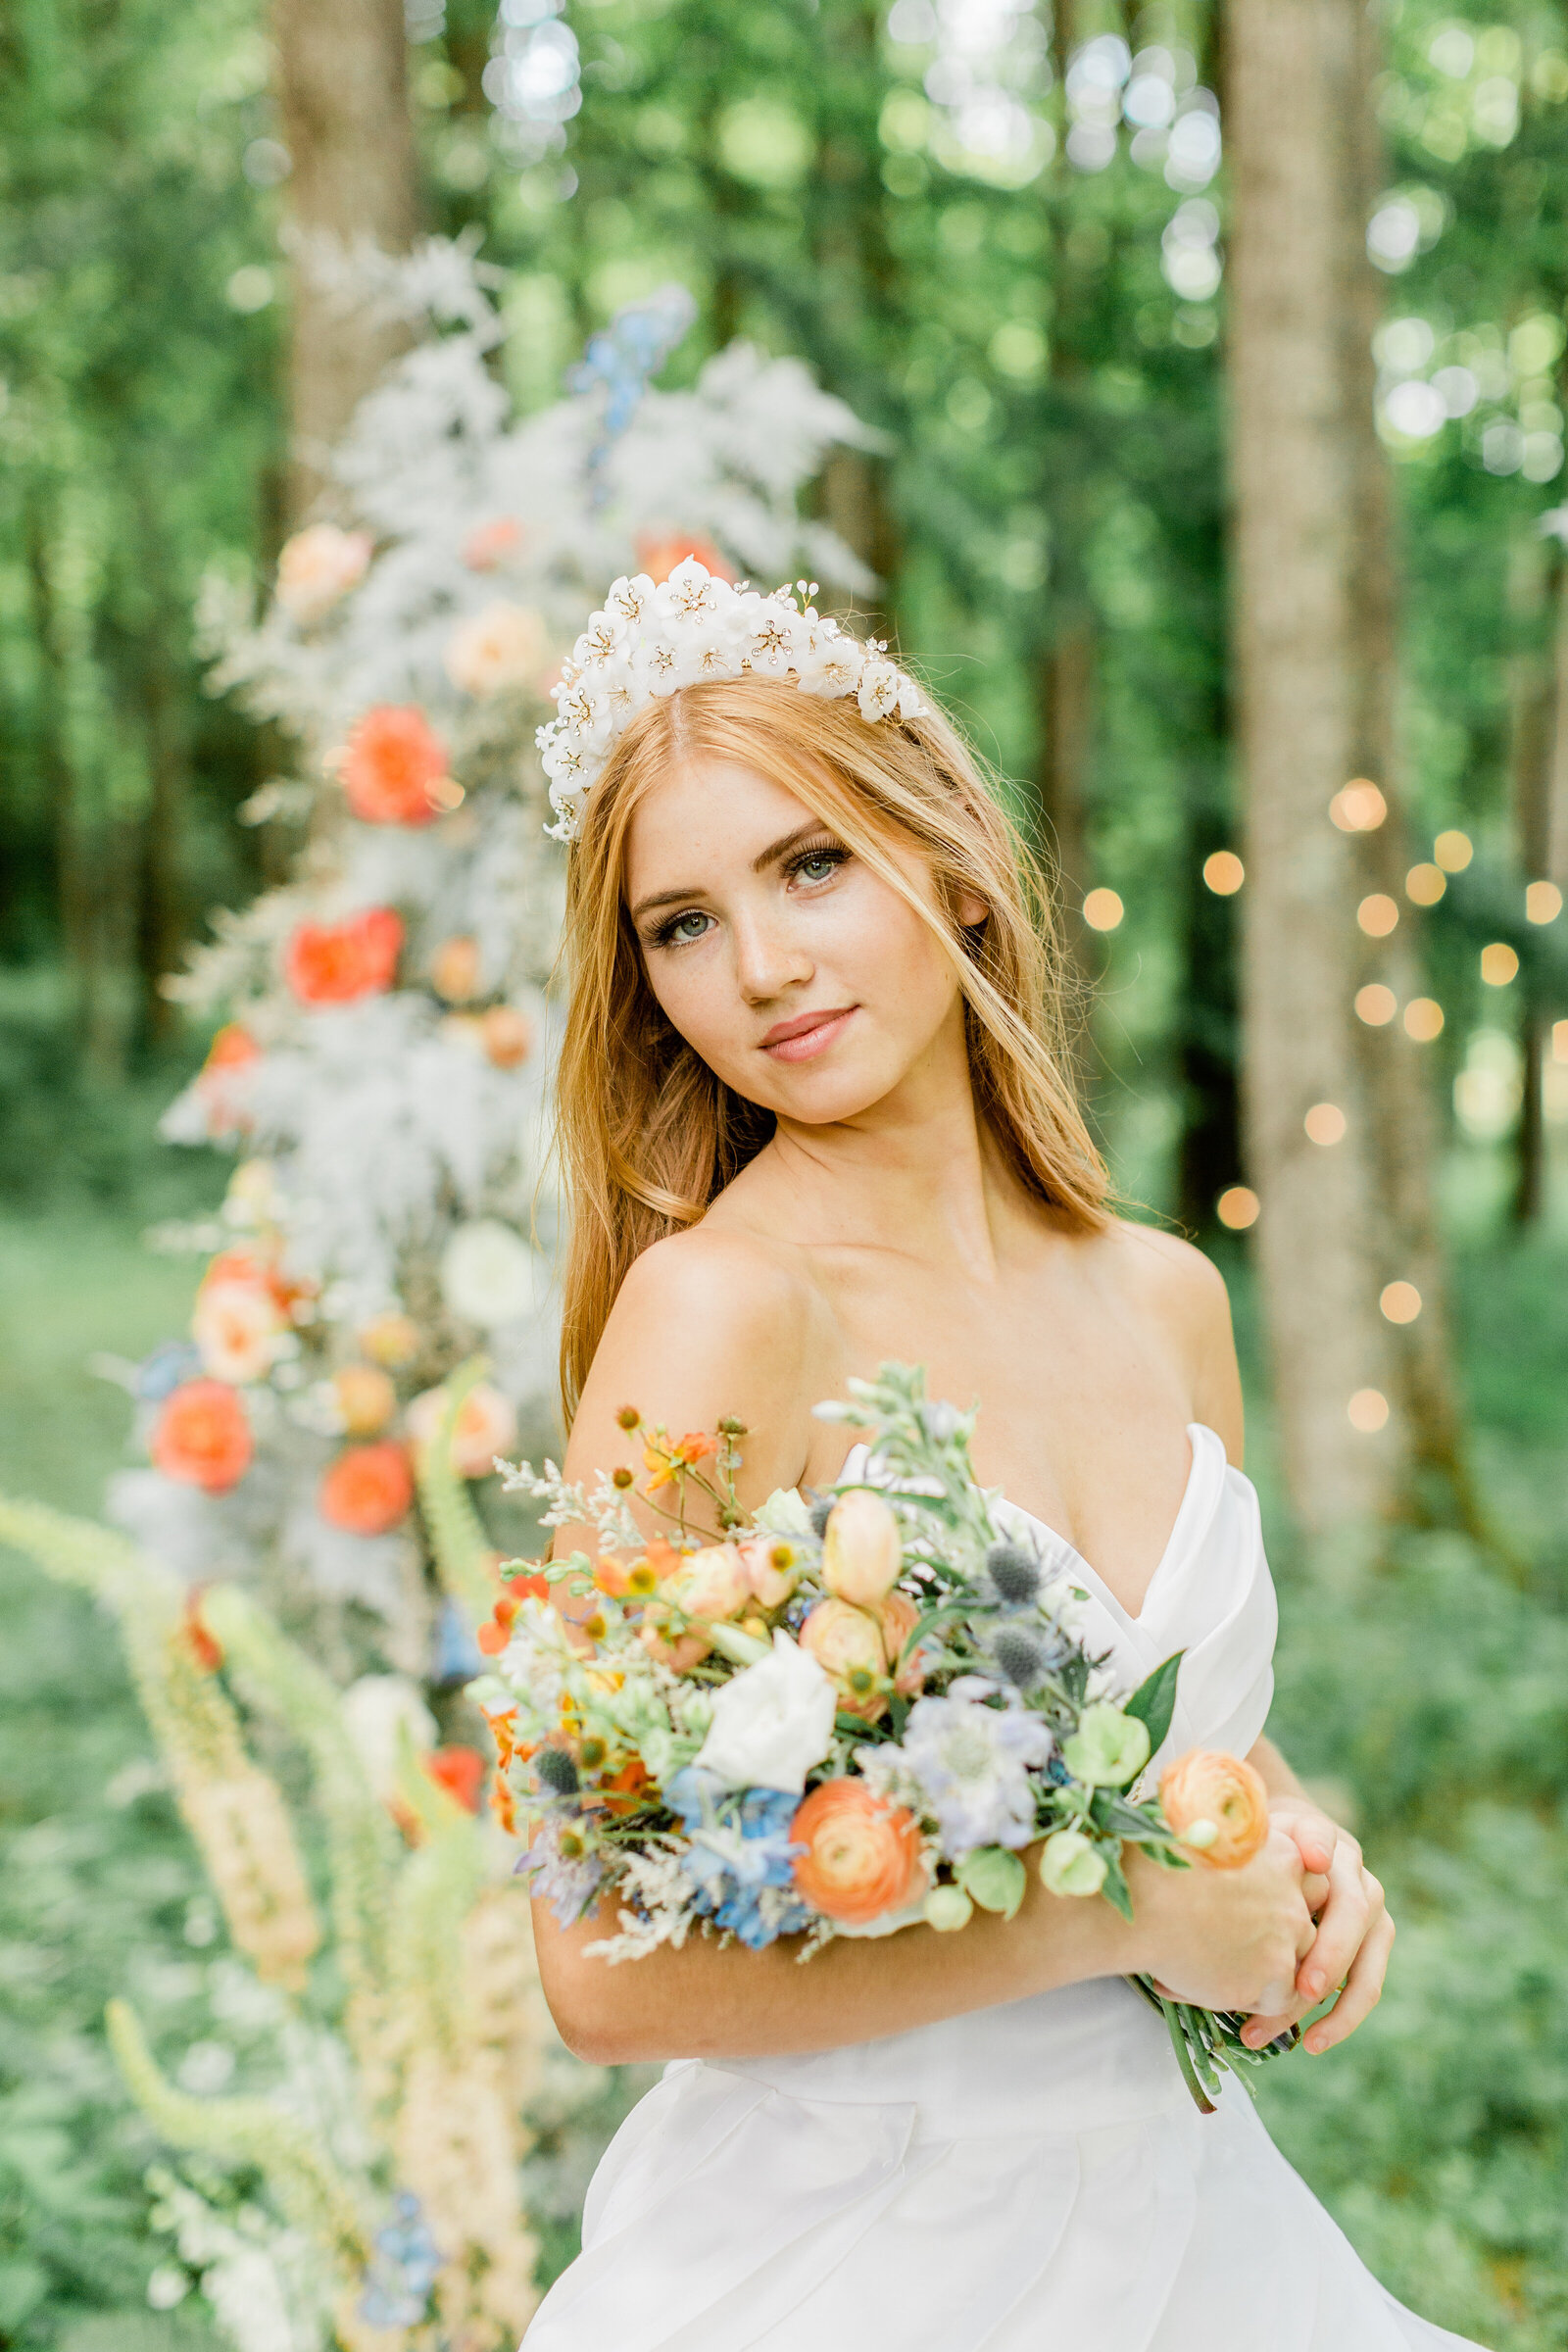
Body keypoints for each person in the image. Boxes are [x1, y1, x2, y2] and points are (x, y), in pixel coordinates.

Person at [520, 563, 1482, 2348]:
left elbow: (1162, 1720)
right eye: (683, 924)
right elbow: (598, 1968)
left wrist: (1293, 1843)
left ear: (951, 860)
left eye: (811, 864)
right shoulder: (716, 1314)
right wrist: (1128, 1912)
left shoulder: (1171, 1298)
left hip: (1190, 2225)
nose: (766, 965)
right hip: (855, 2259)